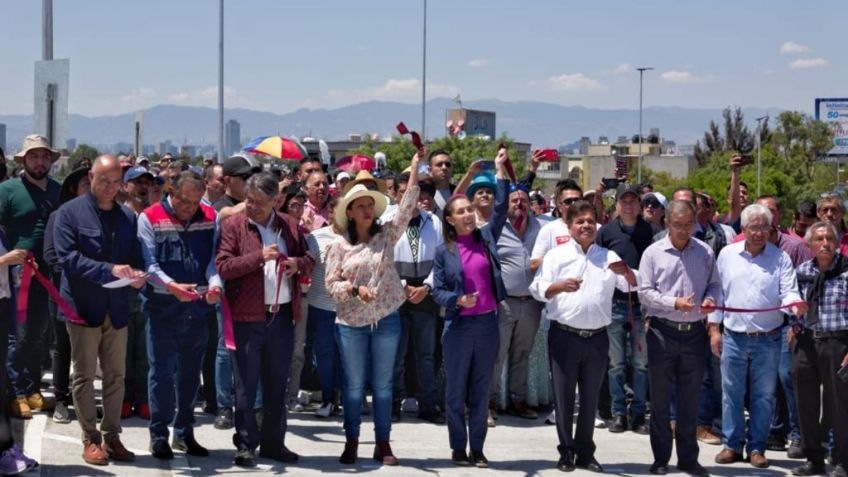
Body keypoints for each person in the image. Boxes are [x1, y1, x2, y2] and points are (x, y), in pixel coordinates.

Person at [324, 150, 422, 466]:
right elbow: (331, 286)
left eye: (370, 204)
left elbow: (406, 209)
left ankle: (382, 443)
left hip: (386, 319)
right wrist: (355, 289)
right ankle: (352, 441)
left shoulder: (387, 235)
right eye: (360, 206)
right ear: (349, 212)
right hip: (351, 324)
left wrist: (414, 173)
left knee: (383, 385)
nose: (367, 209)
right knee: (353, 386)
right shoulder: (338, 246)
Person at [530, 200, 637, 473]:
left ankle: (586, 453)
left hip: (598, 338)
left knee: (590, 399)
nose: (586, 225)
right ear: (569, 226)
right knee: (564, 398)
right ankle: (566, 452)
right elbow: (537, 288)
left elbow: (634, 284)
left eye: (590, 221)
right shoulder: (556, 256)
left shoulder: (608, 257)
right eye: (580, 221)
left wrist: (627, 272)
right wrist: (557, 286)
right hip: (564, 336)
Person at [216, 172, 314, 468]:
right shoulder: (234, 226)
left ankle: (273, 443)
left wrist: (299, 264)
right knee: (245, 385)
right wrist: (258, 257)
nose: (251, 206)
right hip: (247, 317)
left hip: (282, 317)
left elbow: (311, 258)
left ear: (276, 201)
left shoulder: (291, 226)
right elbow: (223, 266)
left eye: (259, 202)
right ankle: (246, 443)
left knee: (276, 385)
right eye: (248, 200)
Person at [54, 155, 145, 465]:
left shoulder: (127, 217)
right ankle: (90, 438)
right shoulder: (69, 214)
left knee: (116, 376)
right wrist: (110, 270)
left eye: (115, 181)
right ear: (90, 176)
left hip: (117, 308)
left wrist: (138, 277)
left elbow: (135, 257)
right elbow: (67, 259)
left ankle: (112, 435)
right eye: (103, 180)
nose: (109, 187)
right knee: (83, 376)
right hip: (82, 307)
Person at [709, 204, 805, 469]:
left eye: (765, 227)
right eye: (754, 226)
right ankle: (731, 445)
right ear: (744, 228)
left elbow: (788, 291)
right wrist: (714, 329)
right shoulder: (727, 255)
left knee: (763, 396)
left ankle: (757, 448)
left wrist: (794, 304)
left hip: (769, 337)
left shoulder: (780, 258)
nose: (760, 232)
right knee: (731, 394)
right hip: (734, 337)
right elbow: (718, 295)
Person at [432, 148, 508, 468]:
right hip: (458, 326)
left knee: (480, 390)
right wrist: (457, 300)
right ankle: (457, 447)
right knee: (455, 391)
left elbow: (501, 208)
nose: (467, 214)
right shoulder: (444, 250)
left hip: (487, 325)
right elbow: (437, 290)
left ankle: (477, 448)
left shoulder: (486, 237)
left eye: (469, 210)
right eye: (460, 210)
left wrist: (501, 171)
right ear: (449, 219)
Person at [138, 170, 223, 459]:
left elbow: (213, 261)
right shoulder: (149, 217)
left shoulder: (211, 217)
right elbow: (148, 265)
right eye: (185, 201)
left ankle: (184, 433)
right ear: (171, 192)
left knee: (190, 375)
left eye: (196, 202)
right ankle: (159, 434)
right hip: (163, 309)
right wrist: (171, 287)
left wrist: (214, 285)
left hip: (197, 309)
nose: (190, 208)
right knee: (161, 374)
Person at [638, 200, 722, 477]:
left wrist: (710, 298)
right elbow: (645, 292)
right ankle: (660, 458)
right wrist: (674, 303)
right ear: (667, 224)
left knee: (690, 400)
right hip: (663, 331)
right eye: (678, 225)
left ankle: (688, 459)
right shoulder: (653, 253)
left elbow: (715, 284)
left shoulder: (705, 252)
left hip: (695, 334)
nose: (684, 231)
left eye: (689, 225)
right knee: (661, 401)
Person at [0, 135, 62, 419]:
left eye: (44, 157)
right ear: (24, 160)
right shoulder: (8, 190)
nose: (40, 162)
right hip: (16, 274)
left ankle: (33, 388)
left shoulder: (59, 191)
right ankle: (16, 393)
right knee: (18, 335)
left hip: (47, 273)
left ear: (50, 160)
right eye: (34, 156)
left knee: (39, 335)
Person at [789, 221, 848, 477]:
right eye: (819, 239)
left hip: (838, 342)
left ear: (836, 244)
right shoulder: (802, 270)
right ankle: (814, 460)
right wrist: (793, 317)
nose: (824, 243)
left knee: (840, 406)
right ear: (810, 244)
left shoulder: (846, 271)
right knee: (806, 403)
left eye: (829, 239)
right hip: (807, 342)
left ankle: (843, 461)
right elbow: (790, 302)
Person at [596, 185, 654, 435]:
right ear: (616, 204)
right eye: (624, 201)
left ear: (639, 205)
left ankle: (639, 414)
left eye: (633, 201)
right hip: (614, 304)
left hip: (643, 305)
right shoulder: (606, 232)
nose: (629, 206)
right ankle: (619, 412)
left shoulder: (651, 231)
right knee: (616, 364)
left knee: (641, 364)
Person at [488, 183, 544, 424]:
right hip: (505, 302)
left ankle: (517, 399)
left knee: (522, 353)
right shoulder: (497, 228)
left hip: (532, 303)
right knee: (497, 354)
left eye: (523, 200)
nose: (519, 204)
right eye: (514, 200)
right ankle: (488, 401)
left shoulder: (542, 228)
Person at [391, 172, 444, 424]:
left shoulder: (433, 220)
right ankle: (392, 403)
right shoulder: (387, 220)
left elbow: (441, 258)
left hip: (425, 294)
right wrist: (401, 285)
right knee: (396, 354)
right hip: (395, 294)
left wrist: (427, 286)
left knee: (426, 354)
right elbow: (381, 259)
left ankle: (428, 404)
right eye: (404, 193)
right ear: (396, 194)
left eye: (415, 193)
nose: (410, 198)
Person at [43, 166, 91, 424]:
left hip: (93, 293)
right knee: (62, 346)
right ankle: (61, 398)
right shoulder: (58, 215)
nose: (90, 188)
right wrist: (85, 272)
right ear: (74, 188)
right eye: (85, 183)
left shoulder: (99, 217)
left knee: (87, 349)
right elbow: (52, 256)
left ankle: (82, 397)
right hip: (62, 292)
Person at [304, 195, 342, 418]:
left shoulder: (357, 238)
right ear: (330, 213)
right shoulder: (316, 238)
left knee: (348, 356)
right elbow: (306, 267)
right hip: (321, 305)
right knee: (325, 355)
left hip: (349, 307)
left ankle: (347, 399)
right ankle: (328, 399)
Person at [532, 179, 584, 262]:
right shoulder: (548, 230)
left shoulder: (595, 228)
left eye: (577, 200)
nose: (574, 204)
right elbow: (534, 263)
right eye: (568, 201)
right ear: (559, 205)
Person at [428, 149, 455, 213]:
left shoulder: (458, 192)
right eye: (439, 164)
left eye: (447, 164)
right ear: (430, 170)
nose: (444, 167)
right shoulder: (423, 193)